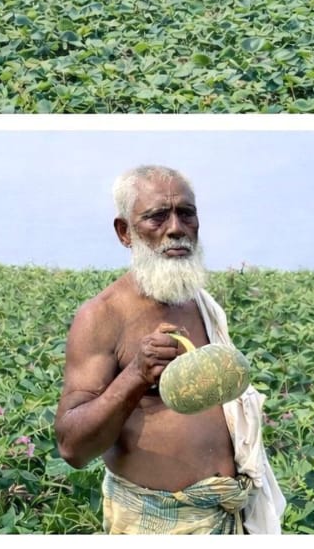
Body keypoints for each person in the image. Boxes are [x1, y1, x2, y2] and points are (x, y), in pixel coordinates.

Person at [54, 165, 285, 534]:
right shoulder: (102, 316)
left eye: (186, 213)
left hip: (229, 514)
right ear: (124, 232)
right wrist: (136, 375)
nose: (175, 228)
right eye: (157, 216)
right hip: (155, 523)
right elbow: (72, 448)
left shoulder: (198, 302)